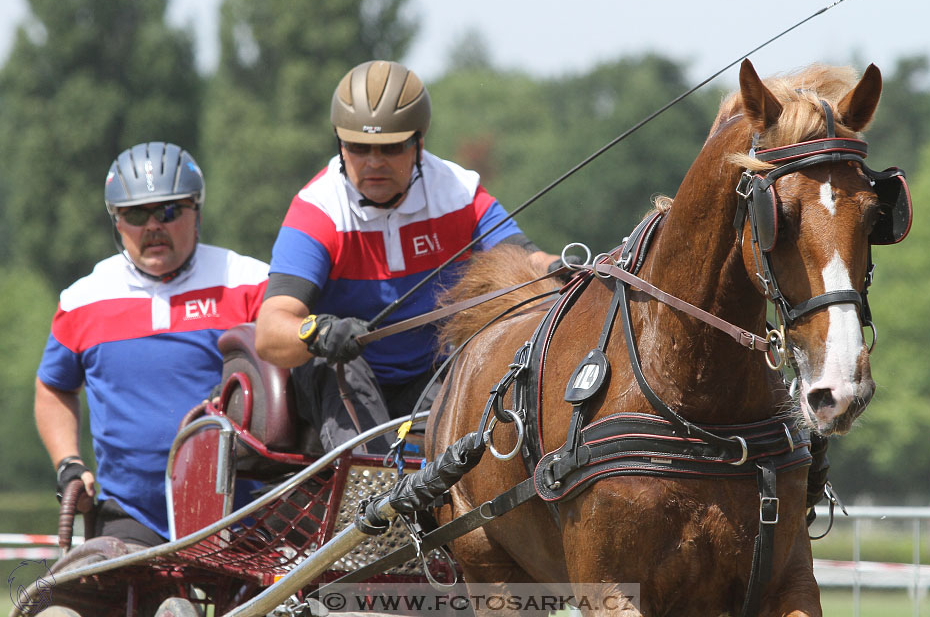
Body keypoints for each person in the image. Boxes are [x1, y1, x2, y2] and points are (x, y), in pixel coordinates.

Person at [255, 60, 558, 454]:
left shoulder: (456, 191)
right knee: (341, 372)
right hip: (344, 374)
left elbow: (528, 264)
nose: (374, 162)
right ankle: (372, 498)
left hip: (430, 369)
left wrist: (563, 269)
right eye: (359, 148)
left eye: (390, 147)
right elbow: (270, 329)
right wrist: (318, 332)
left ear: (419, 143)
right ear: (339, 144)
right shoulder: (317, 211)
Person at [35, 142, 269, 548]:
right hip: (129, 517)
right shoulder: (83, 299)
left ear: (197, 211)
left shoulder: (250, 281)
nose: (153, 226)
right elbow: (54, 387)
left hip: (245, 512)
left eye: (168, 211)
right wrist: (68, 463)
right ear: (117, 222)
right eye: (136, 214)